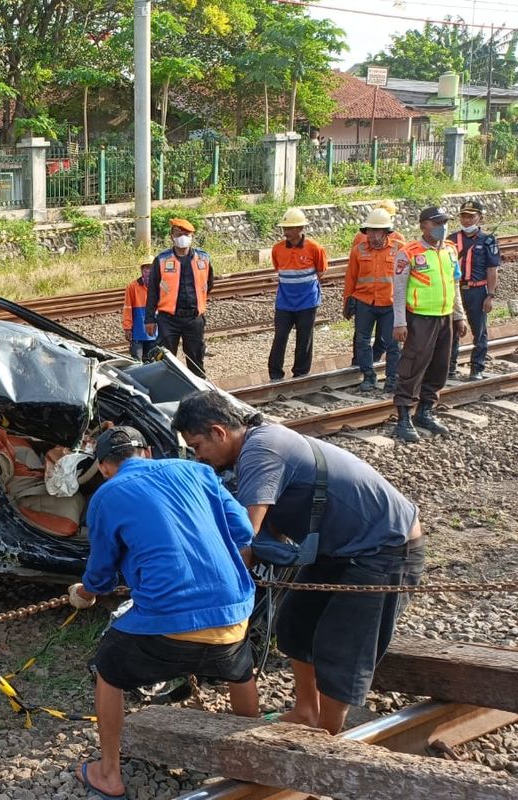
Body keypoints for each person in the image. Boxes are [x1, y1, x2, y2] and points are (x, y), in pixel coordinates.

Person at [172, 391, 424, 736]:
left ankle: (329, 739)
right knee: (295, 623)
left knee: (340, 644)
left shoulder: (260, 451)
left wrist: (207, 592)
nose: (199, 456)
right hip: (340, 548)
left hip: (386, 547)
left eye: (198, 445)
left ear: (219, 431)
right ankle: (307, 712)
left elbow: (245, 537)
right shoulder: (256, 446)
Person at [69, 425, 259, 799]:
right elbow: (243, 533)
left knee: (108, 669)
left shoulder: (107, 495)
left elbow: (101, 575)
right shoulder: (199, 471)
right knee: (241, 670)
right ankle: (251, 761)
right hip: (235, 616)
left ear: (105, 467)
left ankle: (109, 773)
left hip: (169, 626)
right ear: (148, 453)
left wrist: (84, 594)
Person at [392, 206, 468, 442]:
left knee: (439, 366)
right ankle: (404, 416)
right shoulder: (409, 253)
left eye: (444, 222)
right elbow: (400, 289)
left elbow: (454, 284)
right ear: (423, 225)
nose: (442, 227)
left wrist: (459, 315)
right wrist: (399, 322)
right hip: (420, 318)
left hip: (444, 316)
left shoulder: (450, 250)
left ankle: (425, 411)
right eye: (436, 223)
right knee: (413, 366)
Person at [144, 218, 213, 376]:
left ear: (192, 236)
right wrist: (149, 319)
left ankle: (199, 393)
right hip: (168, 319)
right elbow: (153, 291)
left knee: (196, 360)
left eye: (186, 234)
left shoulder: (203, 259)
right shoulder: (162, 260)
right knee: (165, 362)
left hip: (194, 318)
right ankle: (164, 391)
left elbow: (209, 284)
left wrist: (197, 301)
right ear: (172, 236)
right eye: (178, 233)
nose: (182, 237)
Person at [343, 208, 402, 392]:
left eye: (377, 231)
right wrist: (347, 302)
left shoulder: (399, 249)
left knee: (393, 343)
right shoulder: (358, 251)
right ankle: (368, 376)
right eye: (370, 231)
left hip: (389, 303)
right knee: (362, 341)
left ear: (386, 232)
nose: (373, 236)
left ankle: (392, 378)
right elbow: (350, 278)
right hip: (364, 302)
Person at [268, 208, 328, 382]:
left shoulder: (315, 248)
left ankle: (301, 373)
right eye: (285, 228)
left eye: (290, 228)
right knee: (280, 337)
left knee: (305, 338)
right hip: (284, 302)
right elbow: (278, 268)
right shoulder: (277, 249)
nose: (286, 232)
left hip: (307, 302)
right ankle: (275, 373)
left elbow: (321, 270)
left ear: (300, 228)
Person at [447, 199, 501, 381]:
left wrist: (490, 295)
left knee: (479, 331)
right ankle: (450, 367)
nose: (467, 220)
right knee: (452, 329)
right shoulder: (452, 240)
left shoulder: (488, 240)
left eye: (471, 216)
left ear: (479, 217)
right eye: (464, 216)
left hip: (477, 292)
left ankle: (477, 367)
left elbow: (492, 270)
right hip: (455, 291)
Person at [122, 262, 157, 362]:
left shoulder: (159, 286)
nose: (148, 271)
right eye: (146, 268)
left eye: (150, 268)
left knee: (153, 364)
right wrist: (127, 328)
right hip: (137, 333)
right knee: (137, 362)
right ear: (142, 270)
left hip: (154, 334)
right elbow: (127, 308)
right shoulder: (132, 287)